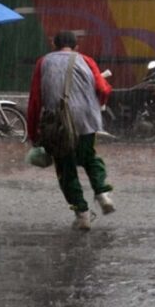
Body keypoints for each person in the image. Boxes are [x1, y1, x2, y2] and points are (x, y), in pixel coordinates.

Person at [27, 30, 115, 230]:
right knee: (89, 158)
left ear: (54, 44)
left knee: (65, 168)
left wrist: (33, 133)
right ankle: (102, 193)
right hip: (85, 120)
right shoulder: (87, 60)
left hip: (58, 124)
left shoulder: (43, 62)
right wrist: (95, 104)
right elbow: (103, 89)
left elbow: (35, 99)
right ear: (76, 46)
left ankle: (82, 213)